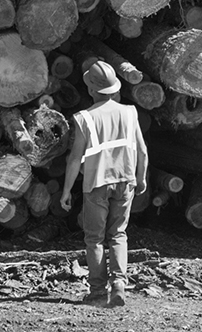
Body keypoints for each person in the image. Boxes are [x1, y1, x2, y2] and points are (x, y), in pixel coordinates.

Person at [59, 59, 148, 307]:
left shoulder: (85, 118)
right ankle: (119, 284)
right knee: (119, 234)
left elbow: (75, 158)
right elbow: (142, 150)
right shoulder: (130, 112)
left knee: (95, 239)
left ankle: (98, 290)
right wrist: (140, 178)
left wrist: (66, 191)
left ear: (90, 90)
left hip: (97, 184)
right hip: (125, 181)